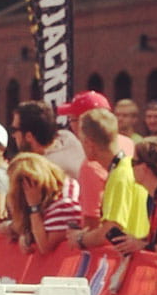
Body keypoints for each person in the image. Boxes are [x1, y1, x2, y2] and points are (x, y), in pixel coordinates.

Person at [66, 107, 148, 250]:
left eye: (82, 141)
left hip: (131, 261)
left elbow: (111, 231)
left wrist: (79, 239)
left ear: (89, 144)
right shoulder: (123, 167)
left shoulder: (120, 175)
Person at [56, 91, 134, 229]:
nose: (70, 125)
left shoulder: (91, 164)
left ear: (84, 122)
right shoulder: (129, 144)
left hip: (107, 242)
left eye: (72, 119)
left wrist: (80, 239)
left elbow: (92, 221)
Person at [112, 136, 157, 254]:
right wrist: (136, 242)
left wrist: (141, 245)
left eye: (133, 162)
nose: (130, 168)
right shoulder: (152, 197)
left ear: (144, 168)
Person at [7, 152, 81, 254]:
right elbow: (17, 226)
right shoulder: (54, 197)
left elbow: (45, 246)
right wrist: (26, 233)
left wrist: (34, 207)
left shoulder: (64, 205)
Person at [9, 100, 84, 182]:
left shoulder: (40, 172)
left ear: (29, 136)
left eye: (14, 130)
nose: (13, 135)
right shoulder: (67, 137)